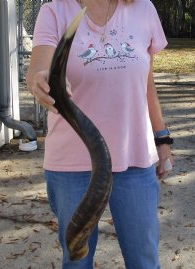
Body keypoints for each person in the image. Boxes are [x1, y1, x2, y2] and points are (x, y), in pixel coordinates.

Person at [26, 0, 174, 268]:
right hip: (72, 165)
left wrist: (162, 138)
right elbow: (38, 69)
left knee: (144, 260)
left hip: (134, 159)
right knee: (76, 261)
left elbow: (147, 86)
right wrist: (42, 80)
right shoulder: (55, 12)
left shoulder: (143, 9)